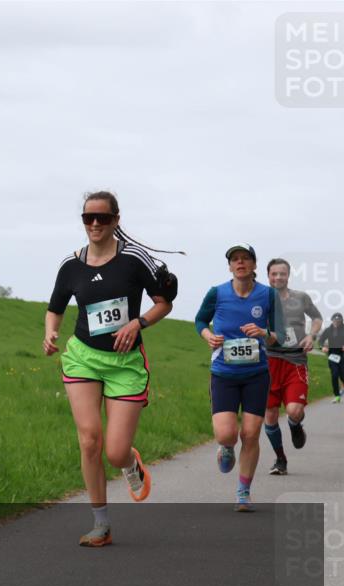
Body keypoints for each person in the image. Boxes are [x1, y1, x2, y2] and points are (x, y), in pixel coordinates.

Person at [45, 191, 176, 547]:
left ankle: (130, 464)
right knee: (89, 440)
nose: (95, 224)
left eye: (102, 217)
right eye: (88, 217)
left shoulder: (134, 258)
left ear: (116, 220)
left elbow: (164, 302)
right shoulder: (71, 265)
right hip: (83, 358)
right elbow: (55, 308)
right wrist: (50, 332)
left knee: (115, 452)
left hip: (125, 364)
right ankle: (100, 524)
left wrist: (138, 323)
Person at [195, 244, 284, 512]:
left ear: (254, 265)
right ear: (230, 266)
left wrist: (263, 333)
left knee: (251, 434)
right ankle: (226, 447)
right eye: (235, 259)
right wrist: (208, 336)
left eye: (245, 258)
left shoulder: (268, 295)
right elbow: (200, 321)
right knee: (227, 434)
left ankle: (243, 492)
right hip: (224, 374)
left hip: (256, 375)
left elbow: (279, 335)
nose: (240, 262)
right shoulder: (217, 293)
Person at [263, 259, 322, 474]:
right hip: (269, 361)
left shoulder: (301, 297)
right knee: (270, 415)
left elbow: (317, 318)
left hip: (295, 361)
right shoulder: (260, 298)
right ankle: (280, 459)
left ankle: (295, 425)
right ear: (268, 276)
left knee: (294, 411)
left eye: (282, 273)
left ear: (288, 275)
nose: (278, 277)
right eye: (274, 274)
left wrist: (311, 335)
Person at [319, 312, 344, 404]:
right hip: (332, 355)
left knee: (342, 375)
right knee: (334, 374)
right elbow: (320, 341)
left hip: (342, 355)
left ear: (341, 321)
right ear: (332, 320)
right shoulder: (328, 330)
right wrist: (323, 347)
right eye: (335, 320)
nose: (336, 322)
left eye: (338, 321)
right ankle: (337, 396)